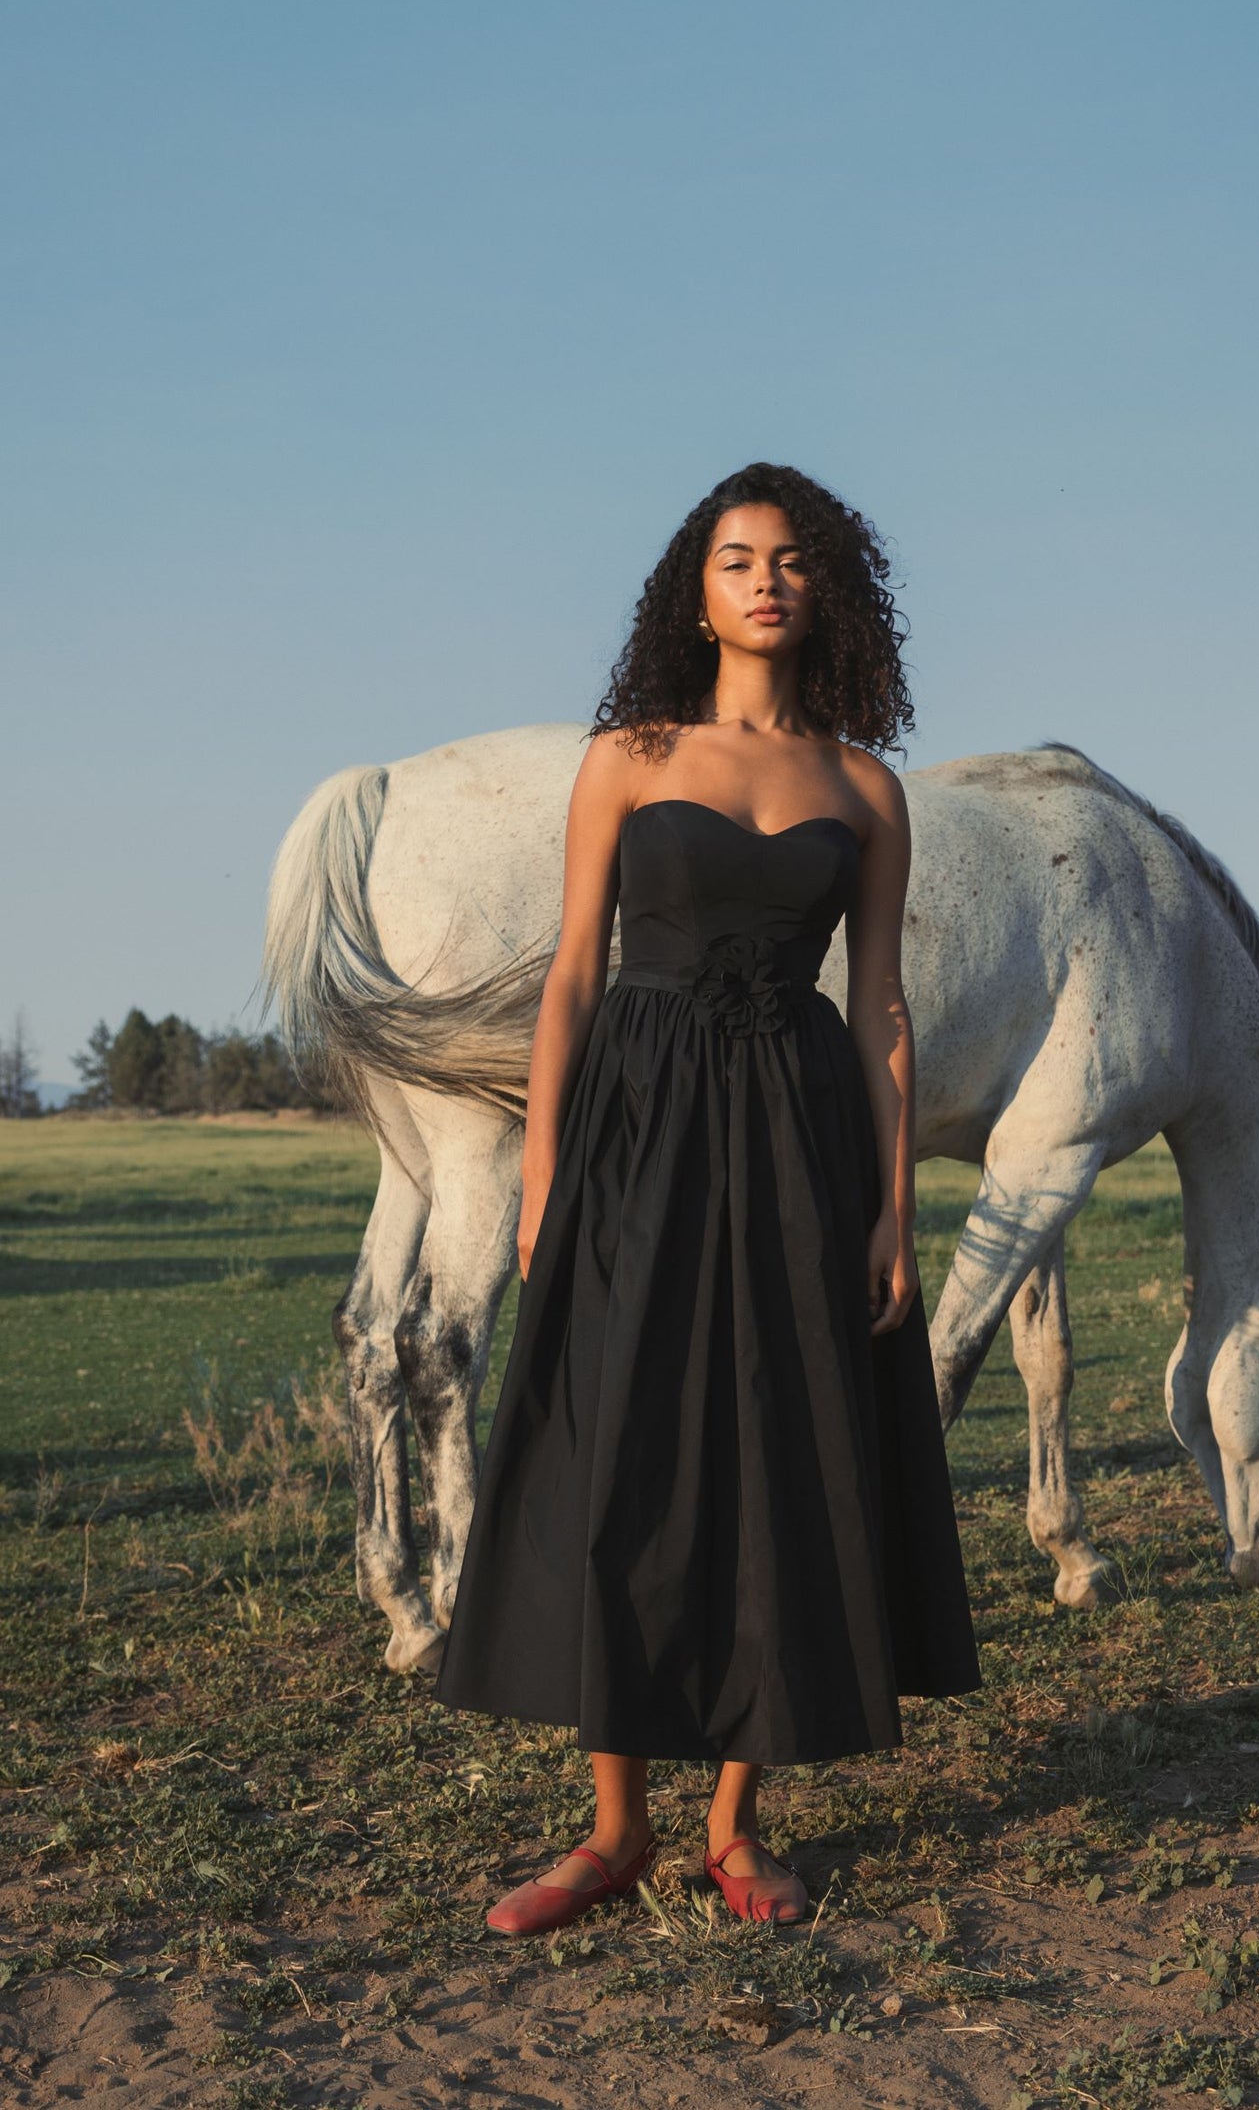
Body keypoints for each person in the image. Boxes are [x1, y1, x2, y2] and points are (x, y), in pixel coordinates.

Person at [433, 460, 981, 1934]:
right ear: (698, 585)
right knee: (622, 1451)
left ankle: (735, 1831)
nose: (764, 577)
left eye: (791, 558)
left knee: (775, 1452)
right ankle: (611, 1830)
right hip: (635, 1123)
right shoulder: (628, 754)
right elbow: (567, 976)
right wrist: (545, 1170)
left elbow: (876, 1009)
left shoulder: (864, 788)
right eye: (737, 556)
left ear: (826, 592)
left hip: (797, 1136)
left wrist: (890, 1210)